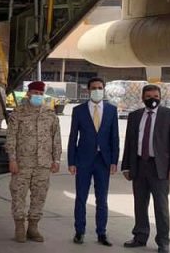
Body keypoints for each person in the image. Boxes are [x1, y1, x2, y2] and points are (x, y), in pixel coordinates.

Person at [121, 84, 170, 253]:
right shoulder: (135, 116)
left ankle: (163, 241)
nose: (152, 100)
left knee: (161, 207)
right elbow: (129, 142)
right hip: (139, 165)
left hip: (160, 168)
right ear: (143, 98)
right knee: (140, 204)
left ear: (160, 97)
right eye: (148, 97)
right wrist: (126, 166)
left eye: (156, 96)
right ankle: (140, 236)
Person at [6, 80, 61, 243]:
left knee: (39, 196)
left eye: (40, 94)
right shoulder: (18, 113)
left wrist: (56, 159)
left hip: (43, 163)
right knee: (18, 195)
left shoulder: (50, 114)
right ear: (28, 94)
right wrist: (12, 159)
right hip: (22, 162)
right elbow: (11, 137)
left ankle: (33, 227)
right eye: (35, 93)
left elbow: (56, 138)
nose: (38, 96)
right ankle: (19, 227)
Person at [68, 77, 119, 246]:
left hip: (103, 161)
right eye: (94, 88)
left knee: (102, 199)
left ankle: (101, 233)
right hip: (83, 159)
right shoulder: (79, 110)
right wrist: (71, 161)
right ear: (88, 90)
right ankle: (79, 231)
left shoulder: (111, 110)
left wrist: (114, 161)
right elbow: (73, 137)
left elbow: (114, 137)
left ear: (104, 89)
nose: (97, 90)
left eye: (100, 87)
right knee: (81, 197)